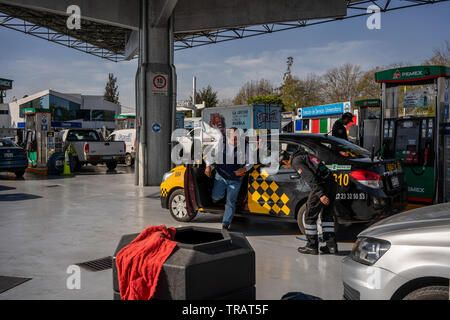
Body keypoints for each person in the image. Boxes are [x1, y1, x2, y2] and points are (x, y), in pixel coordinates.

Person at [283, 148, 338, 255]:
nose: (286, 168)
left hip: (321, 185)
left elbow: (310, 178)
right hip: (331, 182)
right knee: (327, 215)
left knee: (309, 215)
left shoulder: (296, 161)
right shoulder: (304, 155)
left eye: (284, 166)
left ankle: (311, 246)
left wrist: (320, 194)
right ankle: (331, 246)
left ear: (285, 161)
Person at [204, 128, 252, 230]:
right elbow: (210, 155)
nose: (236, 140)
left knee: (231, 201)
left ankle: (226, 224)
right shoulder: (221, 144)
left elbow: (250, 161)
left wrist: (244, 168)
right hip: (221, 176)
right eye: (233, 138)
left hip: (236, 179)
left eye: (237, 138)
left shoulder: (245, 146)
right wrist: (208, 165)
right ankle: (216, 199)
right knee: (216, 196)